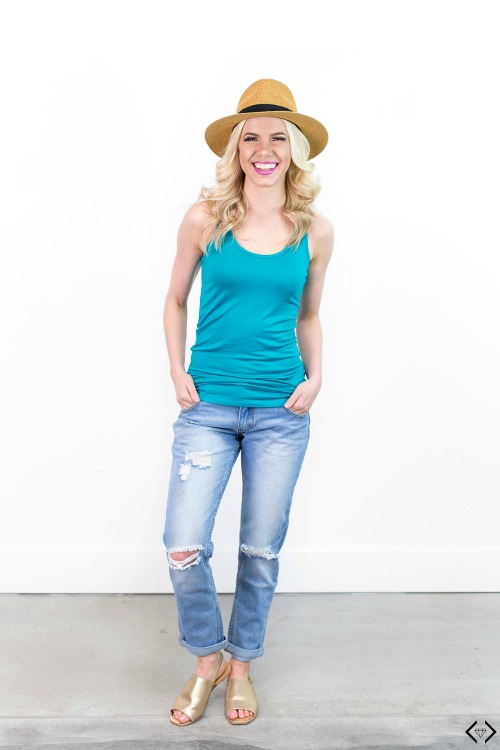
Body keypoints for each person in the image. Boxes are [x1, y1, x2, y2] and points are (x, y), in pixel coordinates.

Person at [162, 78, 334, 727]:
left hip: (281, 414)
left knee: (260, 552)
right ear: (236, 147)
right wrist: (176, 370)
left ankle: (241, 667)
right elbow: (174, 299)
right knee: (183, 544)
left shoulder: (316, 230)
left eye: (278, 138)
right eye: (252, 137)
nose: (265, 150)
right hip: (207, 406)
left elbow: (309, 315)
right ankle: (206, 658)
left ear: (294, 150)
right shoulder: (205, 218)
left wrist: (316, 377)